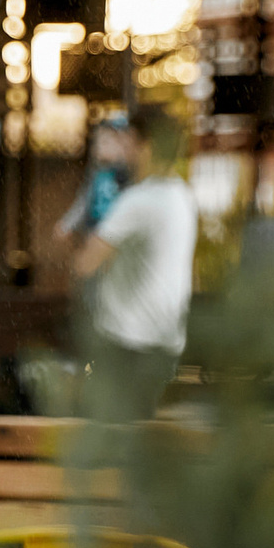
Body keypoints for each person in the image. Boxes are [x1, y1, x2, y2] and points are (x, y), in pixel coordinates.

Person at [69, 109, 197, 421]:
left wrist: (87, 218)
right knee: (135, 440)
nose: (122, 150)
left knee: (105, 442)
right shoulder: (182, 196)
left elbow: (85, 263)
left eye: (128, 141)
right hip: (164, 343)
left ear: (147, 147)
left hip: (126, 345)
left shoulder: (138, 201)